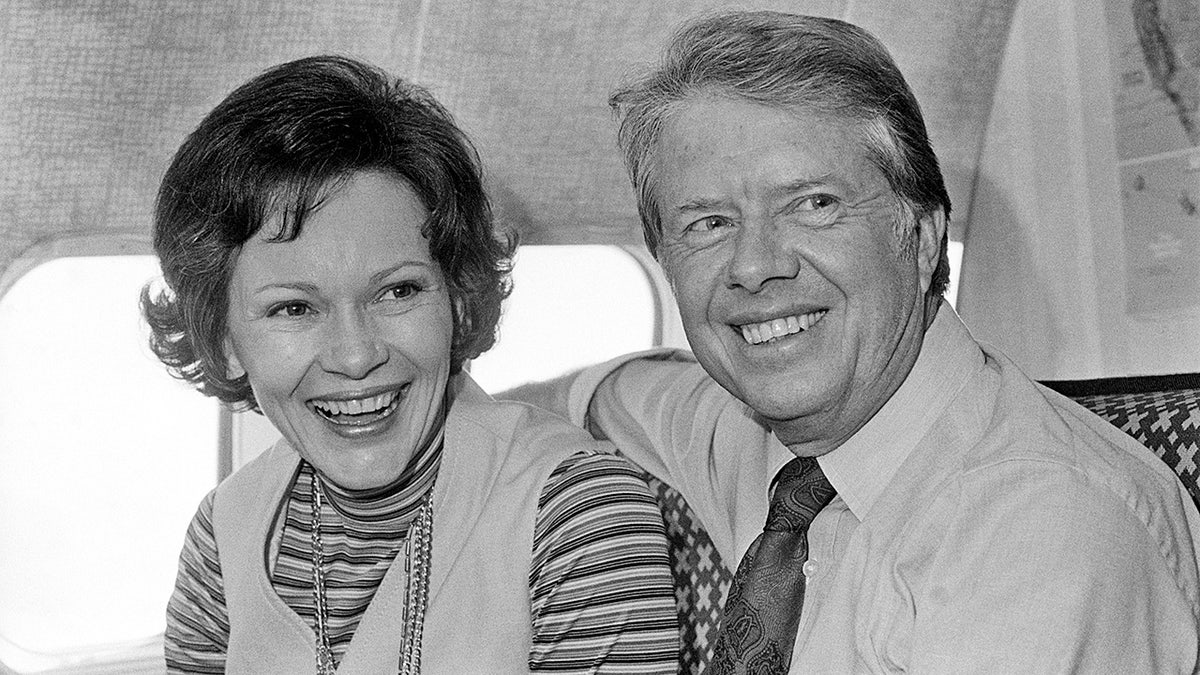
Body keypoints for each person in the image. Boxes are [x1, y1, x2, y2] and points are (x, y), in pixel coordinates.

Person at [509, 10, 1200, 673]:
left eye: (815, 204)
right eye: (709, 223)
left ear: (923, 237)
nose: (754, 265)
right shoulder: (768, 441)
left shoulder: (1044, 529)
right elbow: (612, 394)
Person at [143, 55, 679, 674]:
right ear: (225, 337)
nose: (356, 355)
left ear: (456, 296)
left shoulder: (577, 513)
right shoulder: (225, 533)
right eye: (293, 307)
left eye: (397, 292)